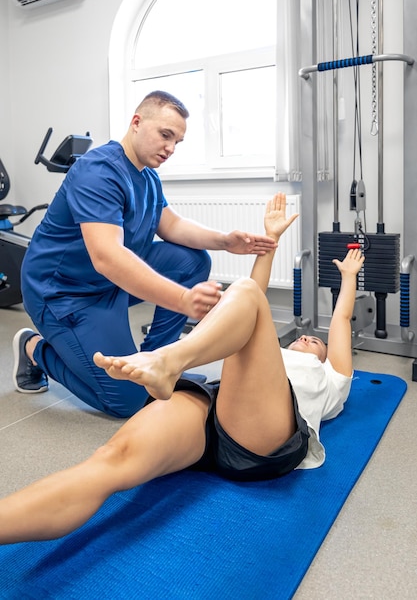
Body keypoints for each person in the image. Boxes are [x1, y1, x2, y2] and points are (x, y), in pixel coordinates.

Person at [0, 193, 364, 545]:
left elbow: (341, 319)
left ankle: (167, 360)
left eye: (315, 343)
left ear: (324, 356)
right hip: (214, 407)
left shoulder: (331, 379)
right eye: (302, 339)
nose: (305, 341)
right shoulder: (269, 354)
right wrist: (270, 238)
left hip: (265, 438)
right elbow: (252, 299)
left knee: (248, 294)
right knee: (109, 462)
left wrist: (349, 276)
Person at [12, 90, 277, 418]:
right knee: (126, 401)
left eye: (177, 142)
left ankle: (160, 362)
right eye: (165, 135)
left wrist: (224, 240)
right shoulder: (98, 171)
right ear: (136, 123)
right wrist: (181, 300)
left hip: (107, 285)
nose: (170, 148)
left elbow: (170, 225)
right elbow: (107, 257)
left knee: (192, 260)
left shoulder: (147, 175)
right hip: (63, 294)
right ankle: (34, 348)